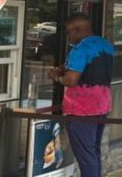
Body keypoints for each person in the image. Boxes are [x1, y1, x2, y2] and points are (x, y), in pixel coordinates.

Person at [47, 13, 114, 177]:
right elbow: (87, 66)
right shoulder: (104, 44)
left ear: (77, 29)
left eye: (68, 32)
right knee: (93, 152)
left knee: (85, 156)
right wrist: (63, 67)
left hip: (81, 110)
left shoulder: (80, 49)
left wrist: (56, 76)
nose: (68, 36)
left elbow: (71, 80)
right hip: (102, 106)